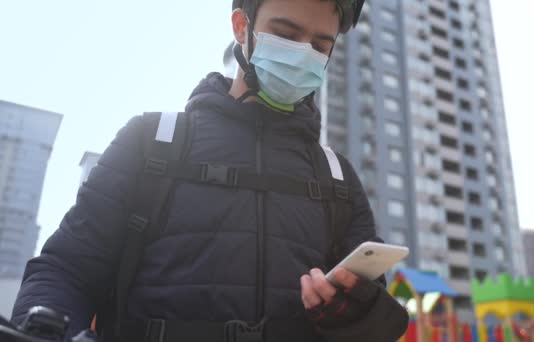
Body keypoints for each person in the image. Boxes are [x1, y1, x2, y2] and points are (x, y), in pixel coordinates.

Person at [11, 0, 409, 341]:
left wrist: (348, 310)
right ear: (241, 26)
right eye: (286, 34)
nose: (303, 53)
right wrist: (45, 327)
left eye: (320, 45)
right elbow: (66, 269)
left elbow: (371, 310)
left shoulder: (338, 176)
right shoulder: (151, 141)